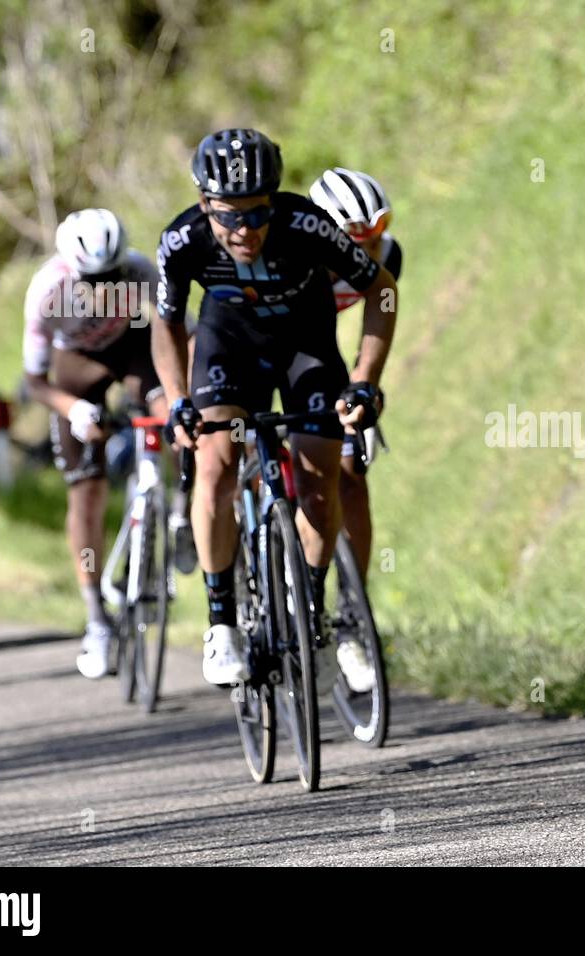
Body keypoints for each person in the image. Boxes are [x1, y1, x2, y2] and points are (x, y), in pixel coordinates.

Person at [151, 129, 398, 689]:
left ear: (274, 202)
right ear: (203, 204)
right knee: (213, 465)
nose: (246, 230)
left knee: (320, 480)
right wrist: (177, 398)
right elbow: (165, 323)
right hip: (226, 352)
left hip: (305, 350)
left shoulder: (306, 225)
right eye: (228, 216)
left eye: (258, 213)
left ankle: (312, 601)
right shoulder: (182, 240)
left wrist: (364, 380)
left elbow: (382, 290)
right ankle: (221, 624)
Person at [22, 208, 186, 678]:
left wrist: (181, 399)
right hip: (74, 367)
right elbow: (35, 382)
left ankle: (182, 509)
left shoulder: (140, 270)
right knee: (87, 490)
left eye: (111, 276)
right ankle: (96, 619)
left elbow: (181, 334)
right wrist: (72, 409)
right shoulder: (46, 291)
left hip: (131, 347)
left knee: (172, 414)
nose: (103, 288)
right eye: (93, 279)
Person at [308, 166, 403, 582]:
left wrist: (365, 383)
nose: (367, 250)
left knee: (350, 475)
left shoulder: (387, 255)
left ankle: (354, 610)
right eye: (355, 241)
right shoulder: (293, 258)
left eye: (376, 234)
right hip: (258, 345)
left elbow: (375, 314)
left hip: (318, 349)